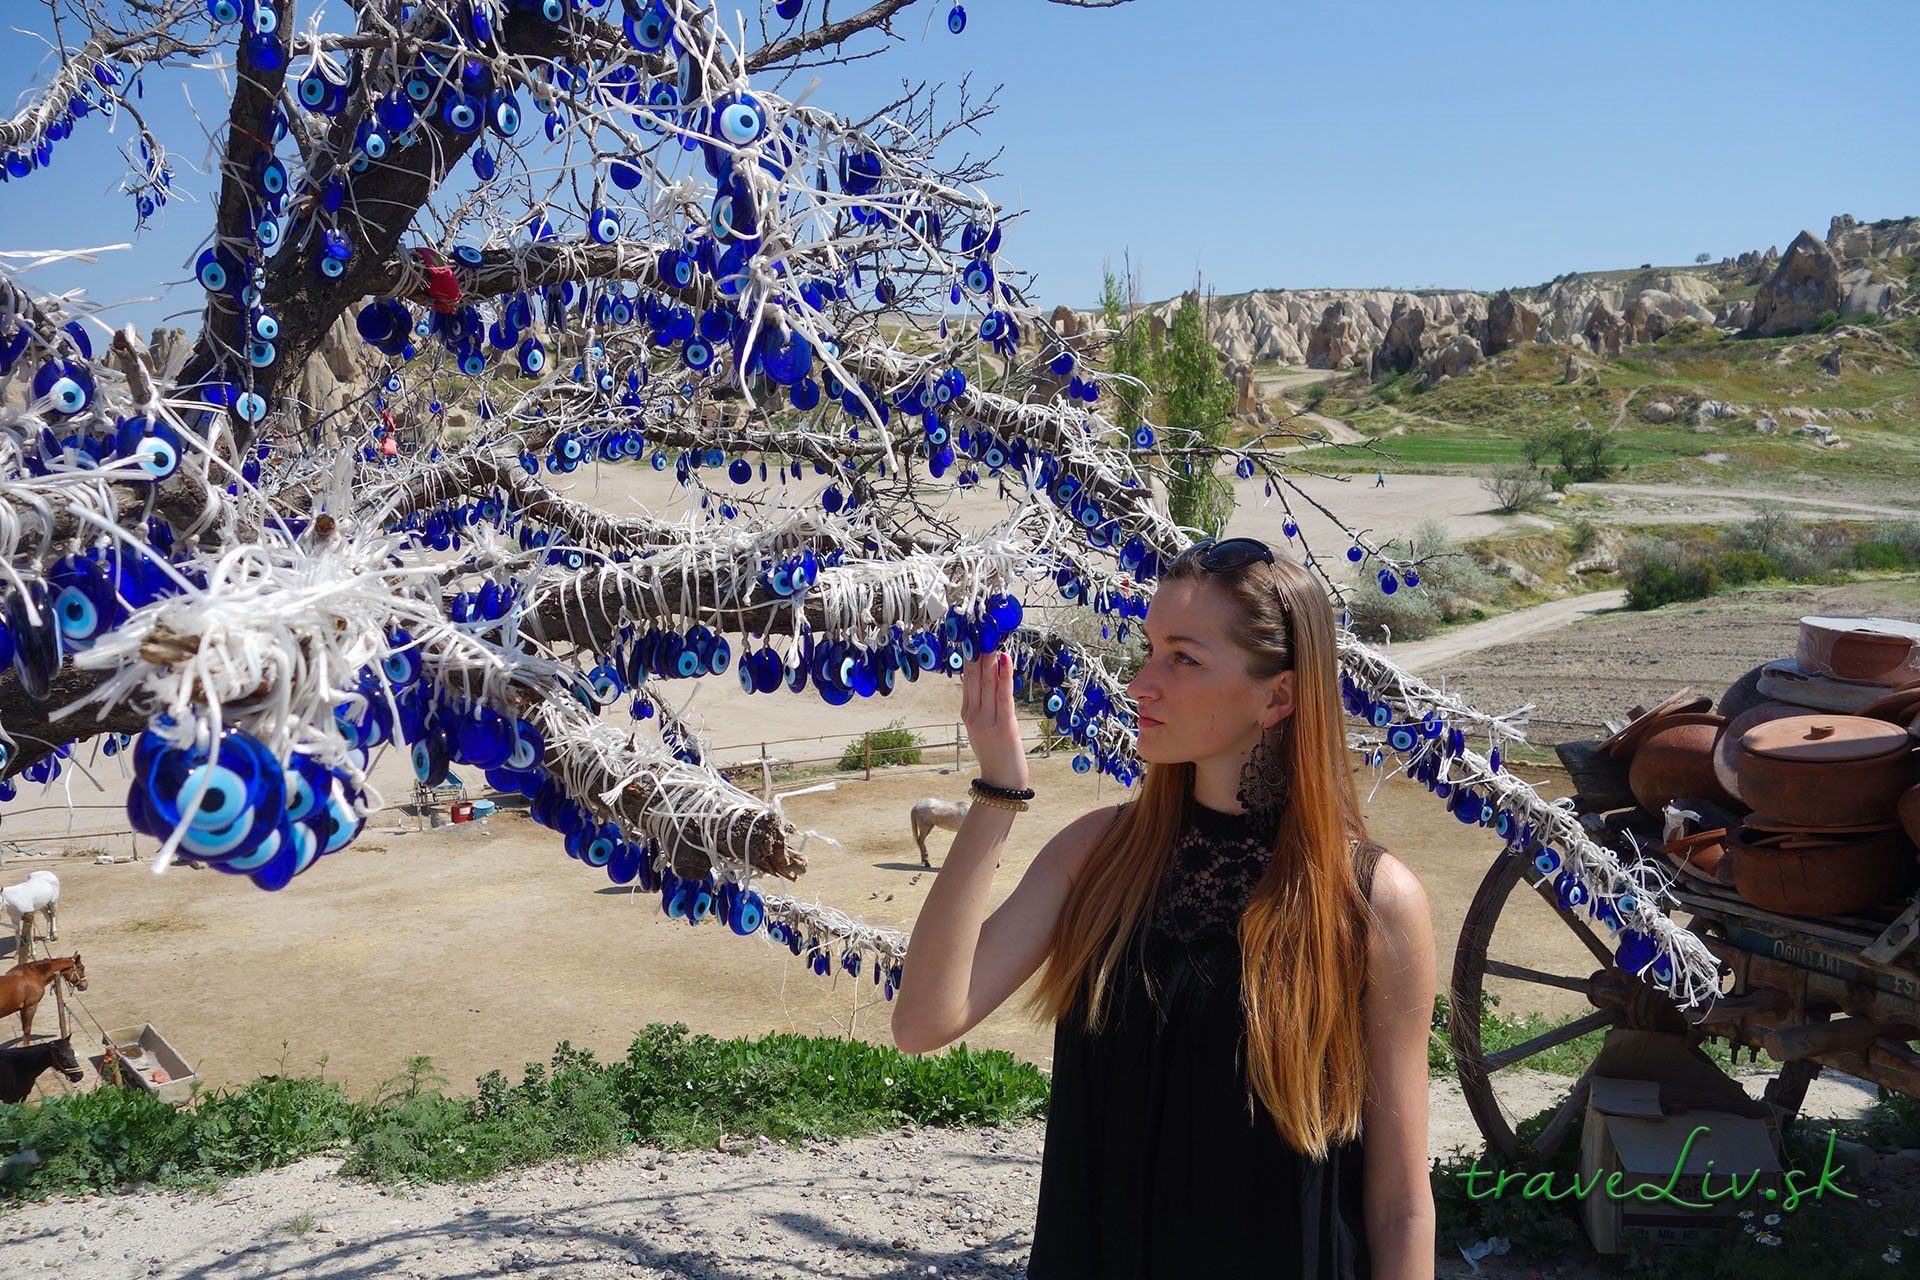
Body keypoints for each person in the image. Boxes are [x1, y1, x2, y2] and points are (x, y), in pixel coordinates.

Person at [892, 536, 1437, 1280]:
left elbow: (1401, 1206)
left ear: (1277, 696)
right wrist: (997, 792)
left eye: (1182, 658)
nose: (1141, 684)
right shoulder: (1099, 855)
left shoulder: (1369, 899)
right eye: (1148, 650)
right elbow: (924, 1020)